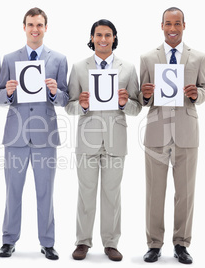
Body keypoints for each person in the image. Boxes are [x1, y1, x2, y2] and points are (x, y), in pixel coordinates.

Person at [0, 7, 68, 260]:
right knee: (12, 190)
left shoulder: (58, 59)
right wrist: (10, 92)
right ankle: (8, 240)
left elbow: (65, 99)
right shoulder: (10, 59)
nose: (35, 29)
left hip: (45, 136)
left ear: (46, 28)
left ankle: (47, 242)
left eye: (39, 25)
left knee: (45, 190)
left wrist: (55, 92)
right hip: (16, 136)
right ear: (23, 27)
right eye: (30, 25)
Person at [65, 19, 141, 261]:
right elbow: (69, 106)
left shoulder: (127, 68)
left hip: (115, 140)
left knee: (112, 194)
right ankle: (82, 242)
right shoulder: (79, 67)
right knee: (85, 193)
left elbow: (137, 107)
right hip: (87, 140)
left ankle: (110, 243)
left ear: (114, 38)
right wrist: (83, 106)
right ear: (92, 38)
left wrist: (123, 103)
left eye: (108, 35)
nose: (103, 39)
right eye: (98, 35)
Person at [139, 7, 205, 264]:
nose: (172, 28)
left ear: (183, 25)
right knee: (154, 193)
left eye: (177, 23)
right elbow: (142, 99)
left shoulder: (198, 57)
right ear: (161, 26)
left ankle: (181, 244)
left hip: (186, 132)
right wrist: (145, 94)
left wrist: (195, 95)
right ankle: (154, 244)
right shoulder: (148, 58)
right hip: (157, 133)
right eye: (168, 23)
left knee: (186, 193)